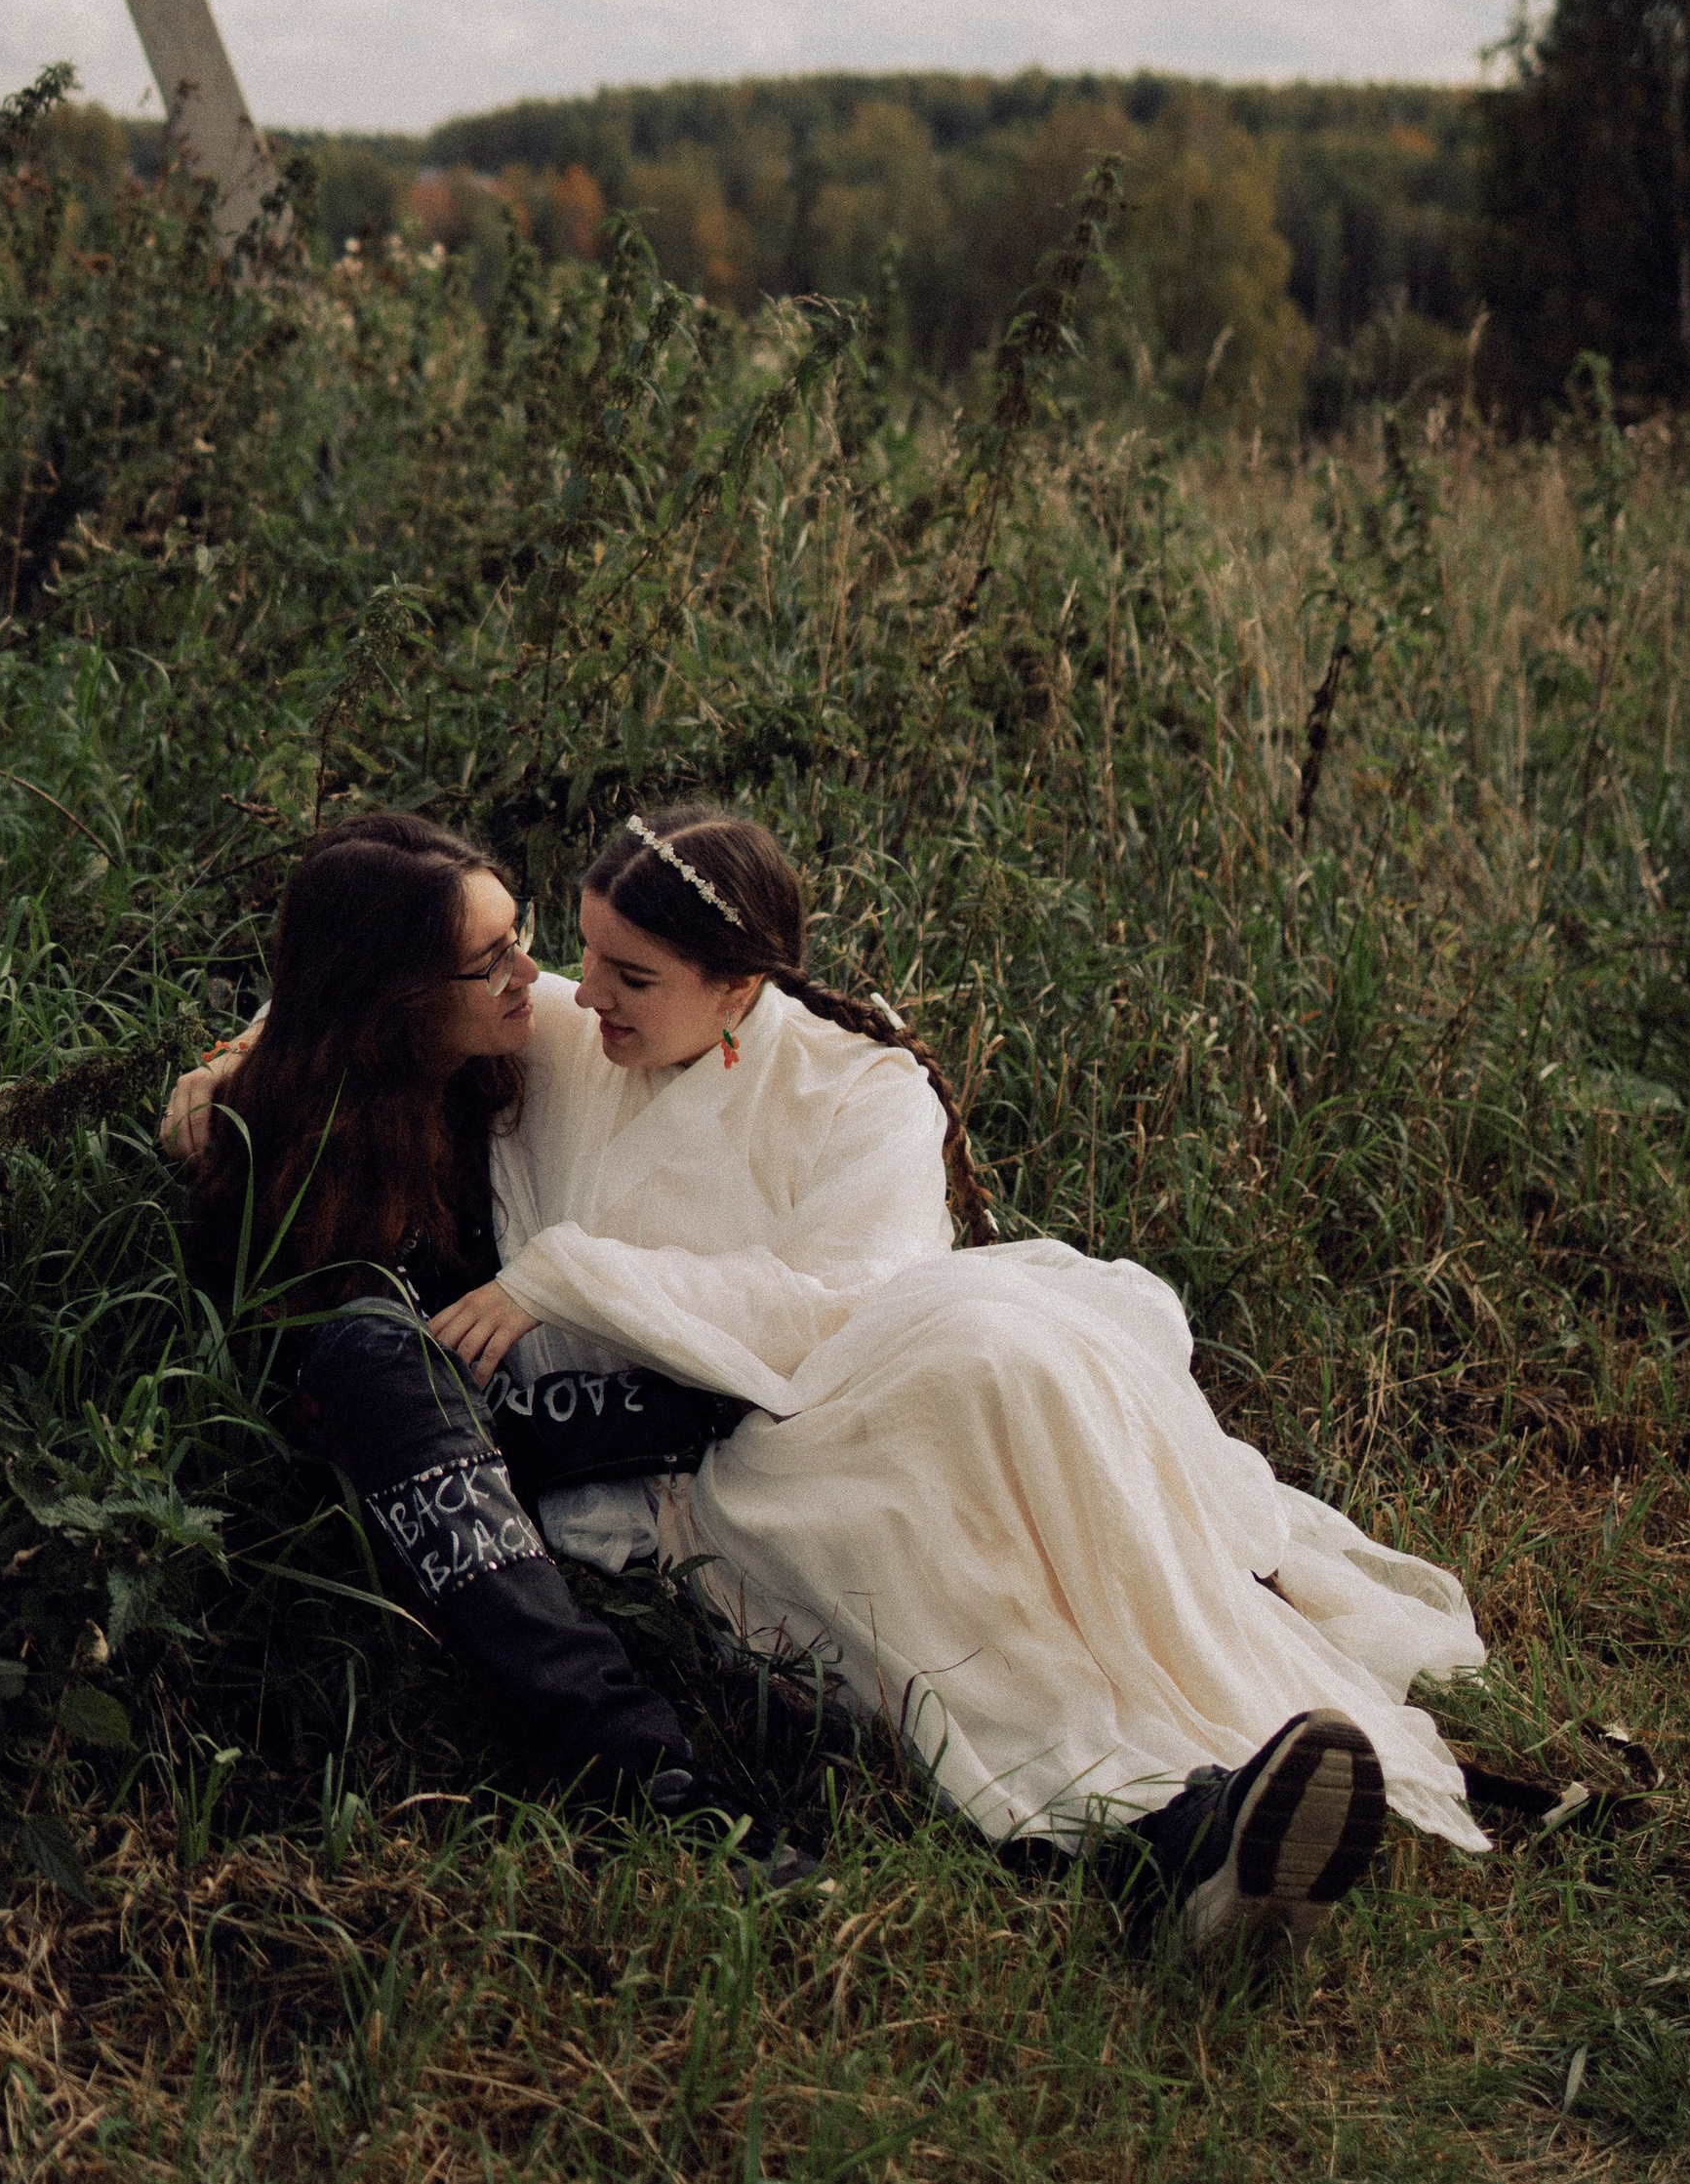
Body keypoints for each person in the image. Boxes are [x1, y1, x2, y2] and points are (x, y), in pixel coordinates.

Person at [171, 808, 1493, 1952]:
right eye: (537, 951)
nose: (565, 984)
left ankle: (1190, 1797)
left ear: (739, 987)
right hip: (666, 1458)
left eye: (618, 970)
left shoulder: (848, 1092)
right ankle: (1164, 1834)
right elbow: (354, 977)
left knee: (983, 1392)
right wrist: (236, 1060)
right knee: (889, 1533)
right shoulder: (575, 1031)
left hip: (807, 1390)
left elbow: (847, 1303)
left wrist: (566, 1272)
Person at [172, 811, 759, 1836]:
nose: (534, 972)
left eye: (519, 931)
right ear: (393, 1001)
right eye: (490, 961)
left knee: (729, 1375)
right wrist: (225, 1069)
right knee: (365, 1341)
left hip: (524, 1416)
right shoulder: (281, 1151)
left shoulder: (500, 1060)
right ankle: (639, 1779)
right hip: (393, 1448)